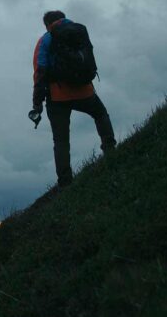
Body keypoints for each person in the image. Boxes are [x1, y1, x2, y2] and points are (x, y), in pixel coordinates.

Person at [31, 10, 116, 187]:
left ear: (47, 25)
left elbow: (40, 71)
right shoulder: (80, 30)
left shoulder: (45, 40)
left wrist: (37, 102)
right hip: (84, 90)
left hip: (58, 95)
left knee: (61, 140)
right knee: (100, 114)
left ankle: (65, 180)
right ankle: (110, 148)